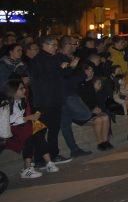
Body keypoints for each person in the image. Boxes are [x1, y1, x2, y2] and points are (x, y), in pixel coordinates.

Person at [28, 36, 73, 164]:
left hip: (55, 99)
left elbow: (64, 74)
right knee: (41, 131)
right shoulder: (39, 60)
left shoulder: (54, 57)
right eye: (53, 45)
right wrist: (62, 68)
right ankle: (39, 159)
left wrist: (67, 67)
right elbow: (47, 77)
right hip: (44, 101)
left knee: (54, 129)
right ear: (45, 45)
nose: (55, 47)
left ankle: (53, 155)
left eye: (56, 45)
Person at [5, 79, 61, 179]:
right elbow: (10, 120)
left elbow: (26, 115)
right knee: (29, 135)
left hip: (21, 127)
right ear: (13, 91)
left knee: (37, 132)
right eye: (21, 89)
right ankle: (28, 168)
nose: (24, 91)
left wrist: (35, 114)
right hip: (11, 131)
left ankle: (48, 163)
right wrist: (28, 118)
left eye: (24, 88)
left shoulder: (21, 100)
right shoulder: (6, 103)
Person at [75, 64, 112, 150]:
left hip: (92, 110)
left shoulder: (90, 83)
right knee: (99, 119)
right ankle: (100, 143)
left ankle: (105, 141)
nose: (92, 72)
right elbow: (80, 102)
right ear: (84, 71)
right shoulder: (79, 84)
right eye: (89, 70)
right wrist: (91, 109)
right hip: (83, 112)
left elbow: (94, 100)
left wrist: (96, 107)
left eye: (92, 70)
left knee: (105, 117)